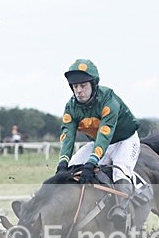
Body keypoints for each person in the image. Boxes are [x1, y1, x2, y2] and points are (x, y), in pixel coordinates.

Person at [55, 59, 140, 228]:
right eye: (75, 86)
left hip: (125, 140)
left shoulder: (109, 99)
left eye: (83, 86)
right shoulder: (71, 106)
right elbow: (68, 136)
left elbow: (104, 134)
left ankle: (121, 209)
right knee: (71, 168)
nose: (78, 91)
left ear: (94, 84)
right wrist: (62, 163)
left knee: (120, 172)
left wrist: (91, 163)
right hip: (101, 144)